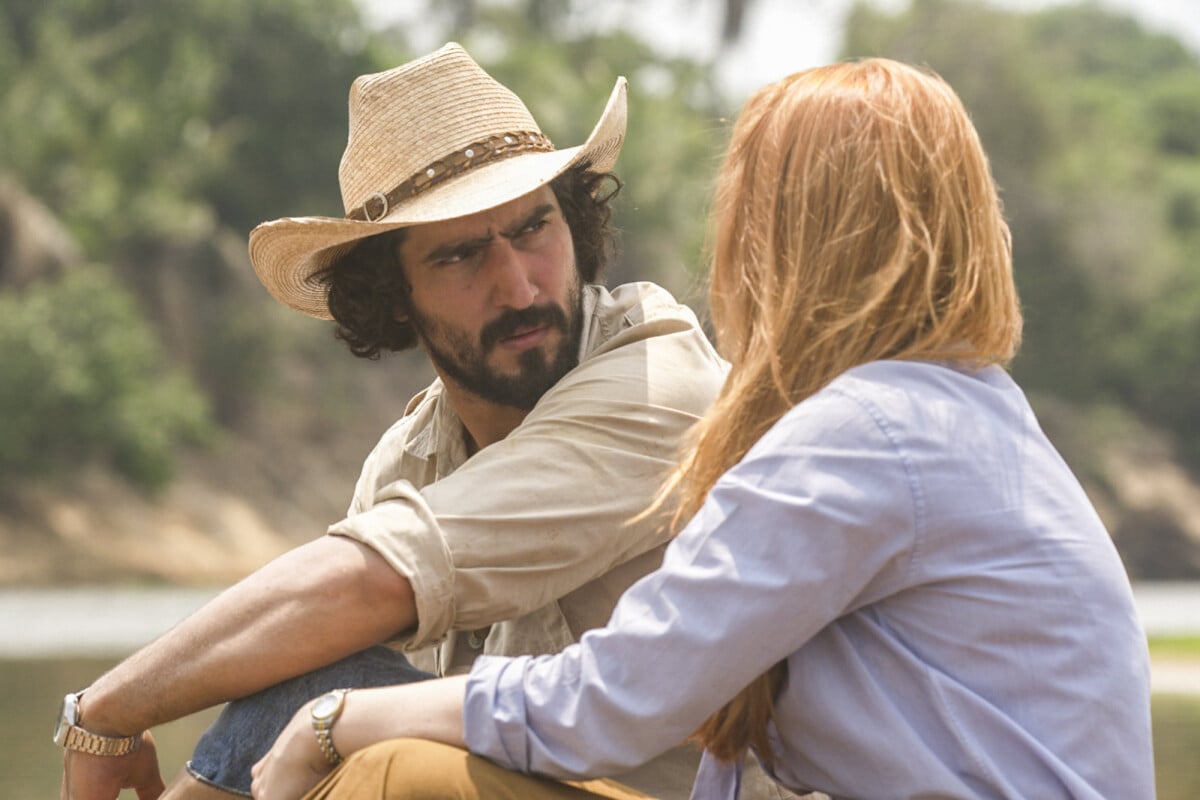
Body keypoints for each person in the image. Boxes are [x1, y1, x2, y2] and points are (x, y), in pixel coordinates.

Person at [250, 58, 1156, 800]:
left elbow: (607, 703)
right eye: (458, 253)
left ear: (793, 237)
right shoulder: (962, 412)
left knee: (399, 774)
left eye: (749, 204)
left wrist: (335, 722)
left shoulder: (863, 433)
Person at [55, 43, 733, 800]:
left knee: (379, 754)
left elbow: (378, 582)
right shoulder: (409, 460)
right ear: (392, 295)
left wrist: (107, 712)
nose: (516, 284)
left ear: (575, 225)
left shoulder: (658, 381)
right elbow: (313, 644)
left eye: (534, 228)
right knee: (316, 685)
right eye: (461, 256)